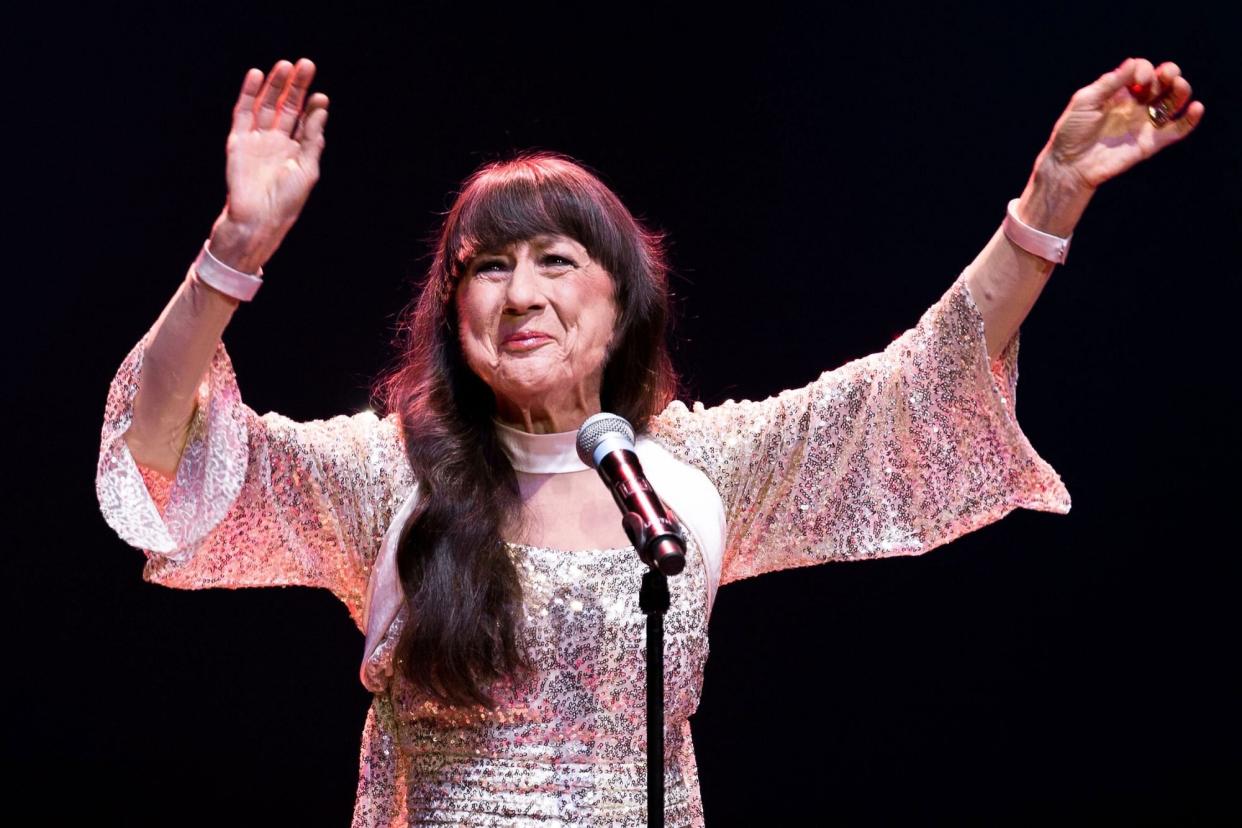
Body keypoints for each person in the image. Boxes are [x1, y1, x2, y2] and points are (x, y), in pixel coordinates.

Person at [96, 56, 1201, 826]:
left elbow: (912, 392)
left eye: (555, 263)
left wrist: (1046, 206)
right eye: (487, 268)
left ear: (623, 304)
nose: (518, 292)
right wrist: (232, 253)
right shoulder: (385, 475)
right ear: (454, 311)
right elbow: (163, 451)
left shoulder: (686, 474)